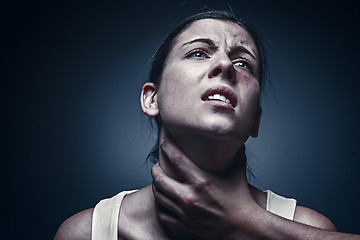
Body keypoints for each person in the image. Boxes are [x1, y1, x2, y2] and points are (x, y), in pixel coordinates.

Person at [54, 10, 359, 239]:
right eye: (198, 53)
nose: (226, 65)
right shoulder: (86, 233)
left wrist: (248, 221)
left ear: (255, 120)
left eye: (243, 63)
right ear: (152, 99)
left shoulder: (310, 228)